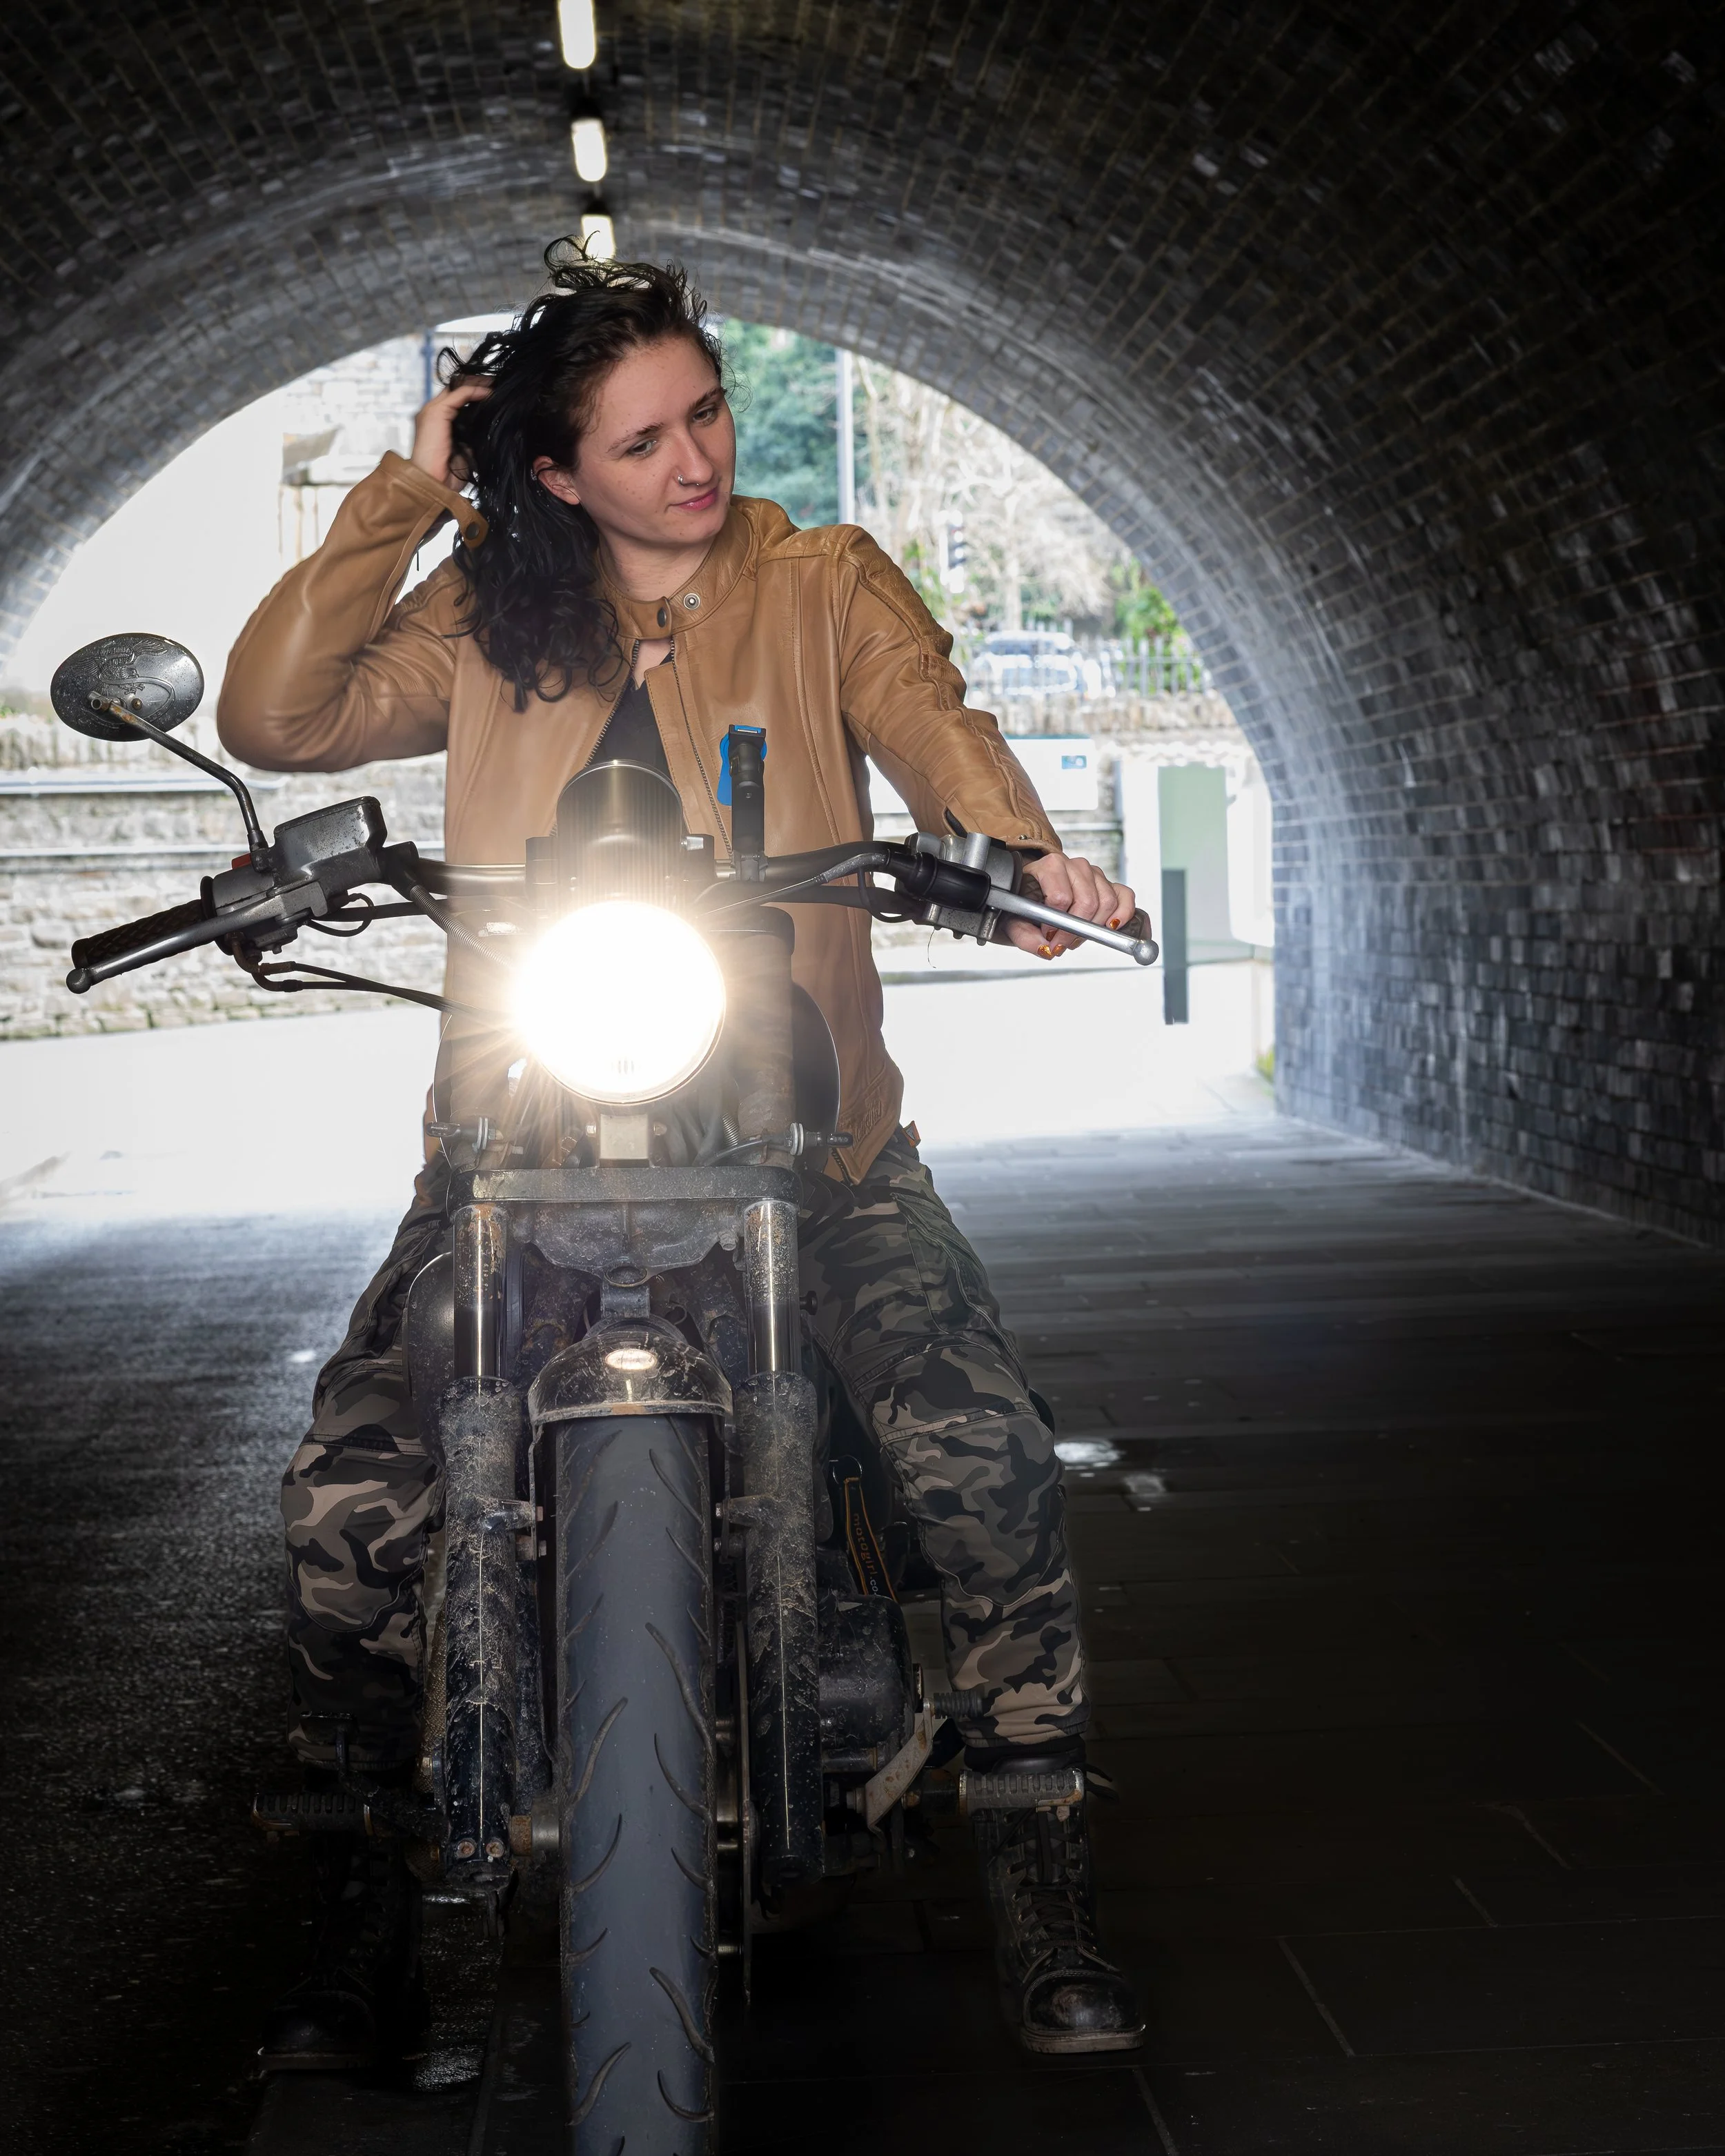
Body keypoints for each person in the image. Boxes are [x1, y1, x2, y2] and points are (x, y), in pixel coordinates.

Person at [218, 240, 1145, 2068]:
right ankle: (356, 1888)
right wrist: (410, 486)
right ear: (553, 469)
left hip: (809, 1134)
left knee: (981, 1463)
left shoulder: (816, 579)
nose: (692, 460)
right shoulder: (489, 604)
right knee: (350, 1496)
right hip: (516, 1131)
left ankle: (1040, 1852)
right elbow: (279, 716)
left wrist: (1019, 850)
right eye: (637, 440)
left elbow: (929, 715)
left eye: (702, 414)